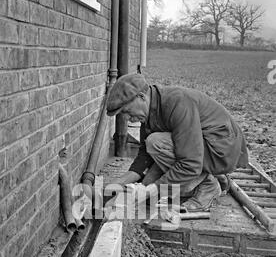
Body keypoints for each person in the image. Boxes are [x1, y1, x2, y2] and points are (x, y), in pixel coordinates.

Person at [106, 73, 249, 212]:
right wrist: (117, 184)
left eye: (127, 111)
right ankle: (211, 176)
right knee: (149, 194)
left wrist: (152, 190)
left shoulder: (177, 103)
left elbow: (190, 163)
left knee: (155, 143)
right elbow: (144, 158)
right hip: (199, 147)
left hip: (222, 149)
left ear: (141, 97)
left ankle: (208, 184)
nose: (128, 119)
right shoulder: (150, 111)